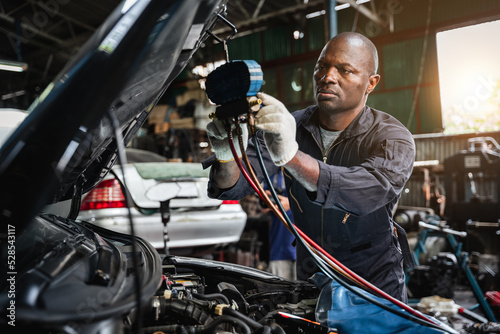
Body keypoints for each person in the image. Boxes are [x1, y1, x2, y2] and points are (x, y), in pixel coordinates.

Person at [203, 32, 415, 302]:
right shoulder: (290, 126)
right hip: (311, 282)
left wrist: (291, 156)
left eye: (345, 70)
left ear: (371, 83)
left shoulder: (391, 136)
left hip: (373, 287)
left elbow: (367, 191)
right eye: (322, 66)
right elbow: (234, 186)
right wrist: (226, 154)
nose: (328, 76)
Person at [261, 169, 296, 281]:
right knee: (280, 293)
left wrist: (292, 204)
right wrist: (264, 201)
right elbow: (253, 207)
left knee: (305, 293)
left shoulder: (307, 168)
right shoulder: (269, 170)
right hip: (279, 247)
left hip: (304, 248)